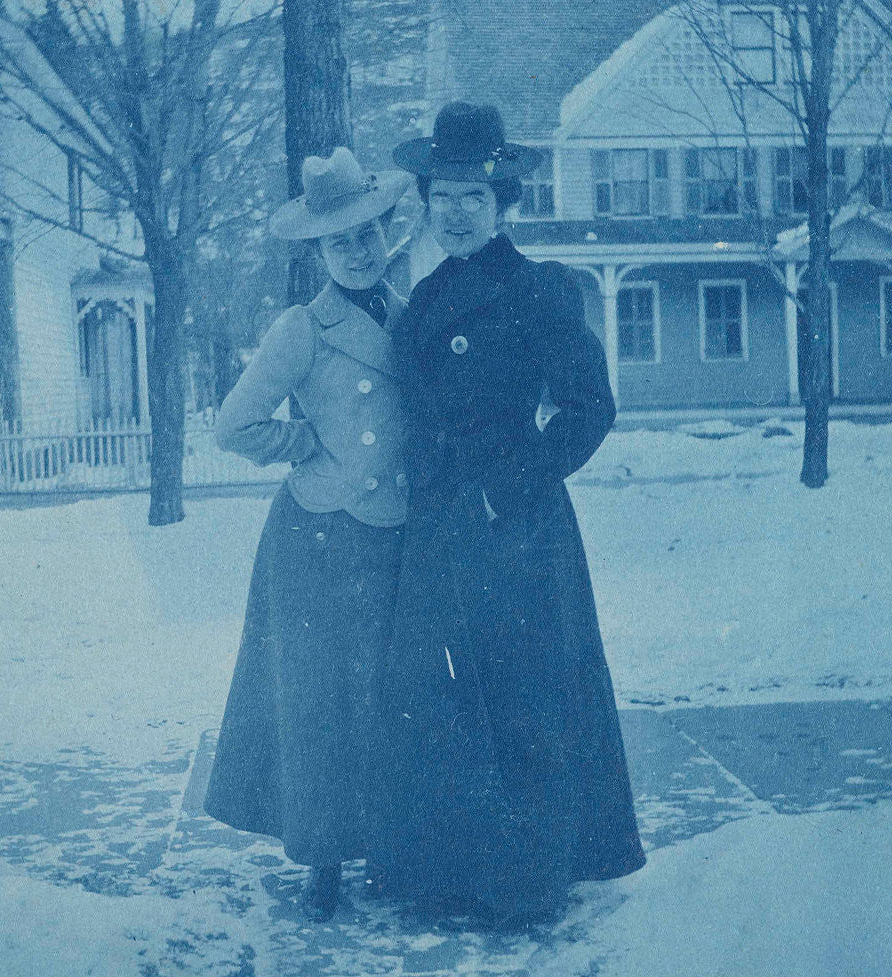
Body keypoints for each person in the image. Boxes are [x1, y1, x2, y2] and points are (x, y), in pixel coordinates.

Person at [373, 103, 646, 925]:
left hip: (514, 527)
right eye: (444, 194)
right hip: (435, 530)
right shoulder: (423, 296)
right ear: (425, 199)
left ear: (503, 202)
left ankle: (528, 883)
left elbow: (589, 407)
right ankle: (455, 874)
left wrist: (505, 489)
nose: (457, 211)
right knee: (446, 700)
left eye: (474, 196)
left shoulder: (537, 288)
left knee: (526, 699)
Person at [204, 147, 412, 922]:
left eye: (367, 234)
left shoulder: (412, 309)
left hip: (393, 533)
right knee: (319, 701)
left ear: (386, 231)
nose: (357, 251)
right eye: (339, 242)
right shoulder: (303, 326)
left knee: (387, 694)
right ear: (318, 251)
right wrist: (303, 447)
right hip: (318, 537)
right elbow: (233, 423)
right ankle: (323, 859)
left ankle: (388, 846)